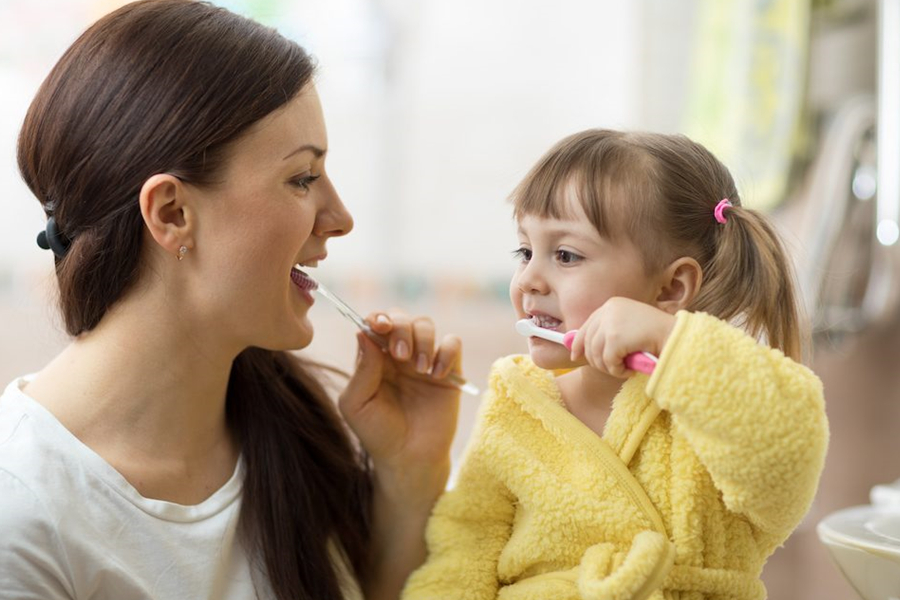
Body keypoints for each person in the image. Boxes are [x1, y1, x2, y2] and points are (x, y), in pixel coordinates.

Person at [0, 1, 464, 599]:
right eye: (302, 178)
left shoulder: (290, 431)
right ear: (172, 214)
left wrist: (409, 475)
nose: (340, 218)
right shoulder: (23, 515)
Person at [401, 129, 829, 600]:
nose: (528, 280)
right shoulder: (517, 401)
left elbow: (788, 454)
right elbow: (464, 550)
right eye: (525, 251)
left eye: (566, 255)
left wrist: (672, 341)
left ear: (669, 290)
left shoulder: (711, 403)